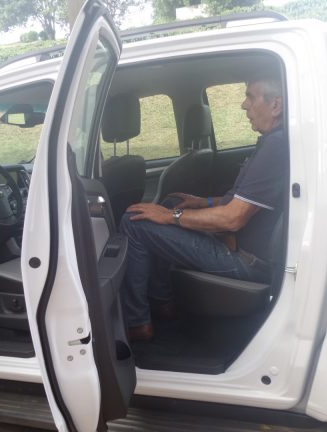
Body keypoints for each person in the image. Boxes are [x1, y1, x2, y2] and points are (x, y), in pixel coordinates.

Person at [119, 76, 289, 342]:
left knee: (133, 222)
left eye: (250, 96)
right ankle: (162, 301)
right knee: (170, 203)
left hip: (244, 260)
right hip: (239, 245)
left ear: (275, 105)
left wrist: (171, 217)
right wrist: (201, 202)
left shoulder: (276, 146)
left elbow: (233, 218)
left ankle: (138, 322)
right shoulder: (272, 141)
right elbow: (244, 199)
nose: (244, 105)